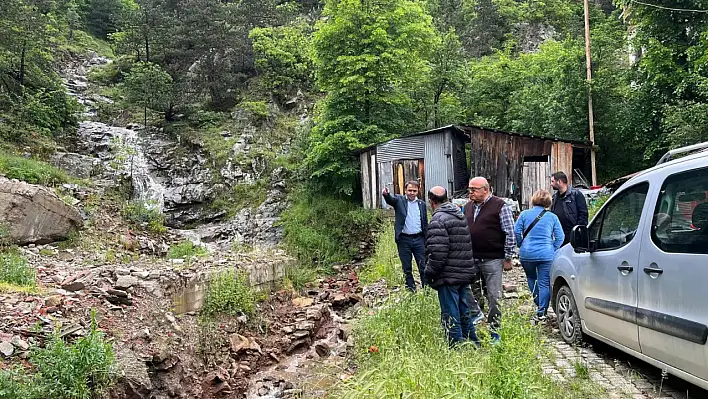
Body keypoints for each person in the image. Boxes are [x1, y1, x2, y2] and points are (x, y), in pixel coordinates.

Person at [424, 186, 479, 347]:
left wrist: (428, 272)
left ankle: (456, 347)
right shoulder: (458, 215)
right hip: (463, 271)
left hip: (448, 275)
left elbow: (438, 253)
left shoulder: (438, 220)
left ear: (431, 201)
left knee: (450, 313)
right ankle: (472, 342)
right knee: (464, 311)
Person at [463, 177, 516, 343]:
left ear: (485, 189)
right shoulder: (467, 207)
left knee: (494, 295)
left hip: (492, 258)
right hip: (472, 257)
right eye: (470, 189)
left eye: (474, 189)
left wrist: (508, 257)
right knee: (468, 290)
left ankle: (495, 331)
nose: (471, 192)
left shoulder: (500, 206)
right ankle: (476, 323)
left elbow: (509, 232)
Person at [514, 189, 564, 324]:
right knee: (544, 283)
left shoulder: (524, 215)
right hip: (546, 255)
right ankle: (542, 311)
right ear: (548, 202)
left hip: (527, 254)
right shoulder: (553, 217)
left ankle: (538, 303)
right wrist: (552, 248)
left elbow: (516, 231)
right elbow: (560, 237)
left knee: (531, 278)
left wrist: (521, 245)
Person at [383, 181, 428, 292]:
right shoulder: (399, 200)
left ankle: (426, 290)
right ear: (405, 191)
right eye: (409, 190)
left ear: (418, 191)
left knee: (423, 265)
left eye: (414, 191)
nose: (412, 193)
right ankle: (411, 290)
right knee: (407, 267)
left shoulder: (422, 204)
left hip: (419, 239)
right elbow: (390, 200)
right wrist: (386, 194)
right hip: (404, 239)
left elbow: (425, 222)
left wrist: (427, 238)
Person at [550, 171, 589, 245]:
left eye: (552, 181)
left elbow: (583, 214)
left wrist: (577, 231)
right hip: (560, 236)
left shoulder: (576, 195)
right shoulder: (554, 198)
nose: (551, 184)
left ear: (559, 181)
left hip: (573, 235)